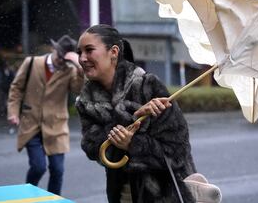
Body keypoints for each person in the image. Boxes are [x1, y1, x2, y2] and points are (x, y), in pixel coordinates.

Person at [75, 24, 196, 203]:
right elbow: (94, 149)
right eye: (79, 52)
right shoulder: (86, 101)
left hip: (166, 195)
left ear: (113, 52)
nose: (82, 58)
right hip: (122, 195)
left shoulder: (147, 86)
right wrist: (133, 118)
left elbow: (177, 152)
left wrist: (133, 143)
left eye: (89, 50)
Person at [7, 35, 84, 195]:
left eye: (65, 59)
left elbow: (80, 89)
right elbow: (16, 89)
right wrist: (13, 112)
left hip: (57, 127)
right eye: (60, 56)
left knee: (57, 170)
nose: (61, 61)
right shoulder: (32, 63)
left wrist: (78, 64)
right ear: (53, 49)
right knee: (38, 167)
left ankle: (52, 199)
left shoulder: (70, 71)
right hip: (31, 125)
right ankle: (27, 195)